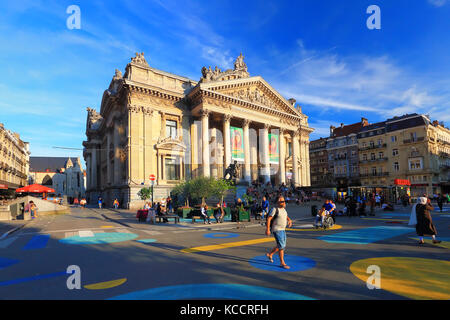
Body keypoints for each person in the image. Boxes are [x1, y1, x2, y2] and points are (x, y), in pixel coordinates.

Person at [265, 195, 293, 270]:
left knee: (281, 245)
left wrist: (289, 220)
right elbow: (269, 219)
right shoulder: (274, 209)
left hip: (283, 229)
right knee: (281, 246)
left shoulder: (284, 210)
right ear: (278, 202)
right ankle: (282, 263)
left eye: (284, 201)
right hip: (277, 229)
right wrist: (267, 229)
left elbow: (286, 216)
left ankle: (270, 254)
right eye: (281, 201)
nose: (283, 202)